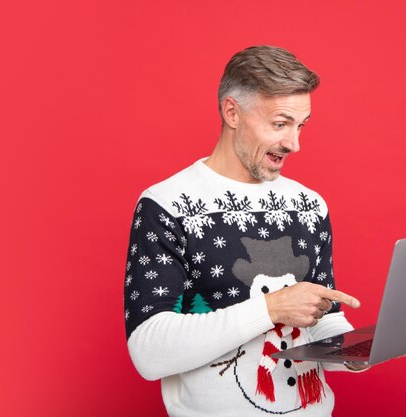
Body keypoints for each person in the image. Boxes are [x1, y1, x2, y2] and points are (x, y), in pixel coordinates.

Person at [124, 45, 365, 417]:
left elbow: (323, 315)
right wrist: (270, 308)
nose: (294, 144)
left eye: (301, 126)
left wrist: (353, 352)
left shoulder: (310, 205)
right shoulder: (165, 205)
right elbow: (149, 352)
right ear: (232, 112)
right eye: (280, 123)